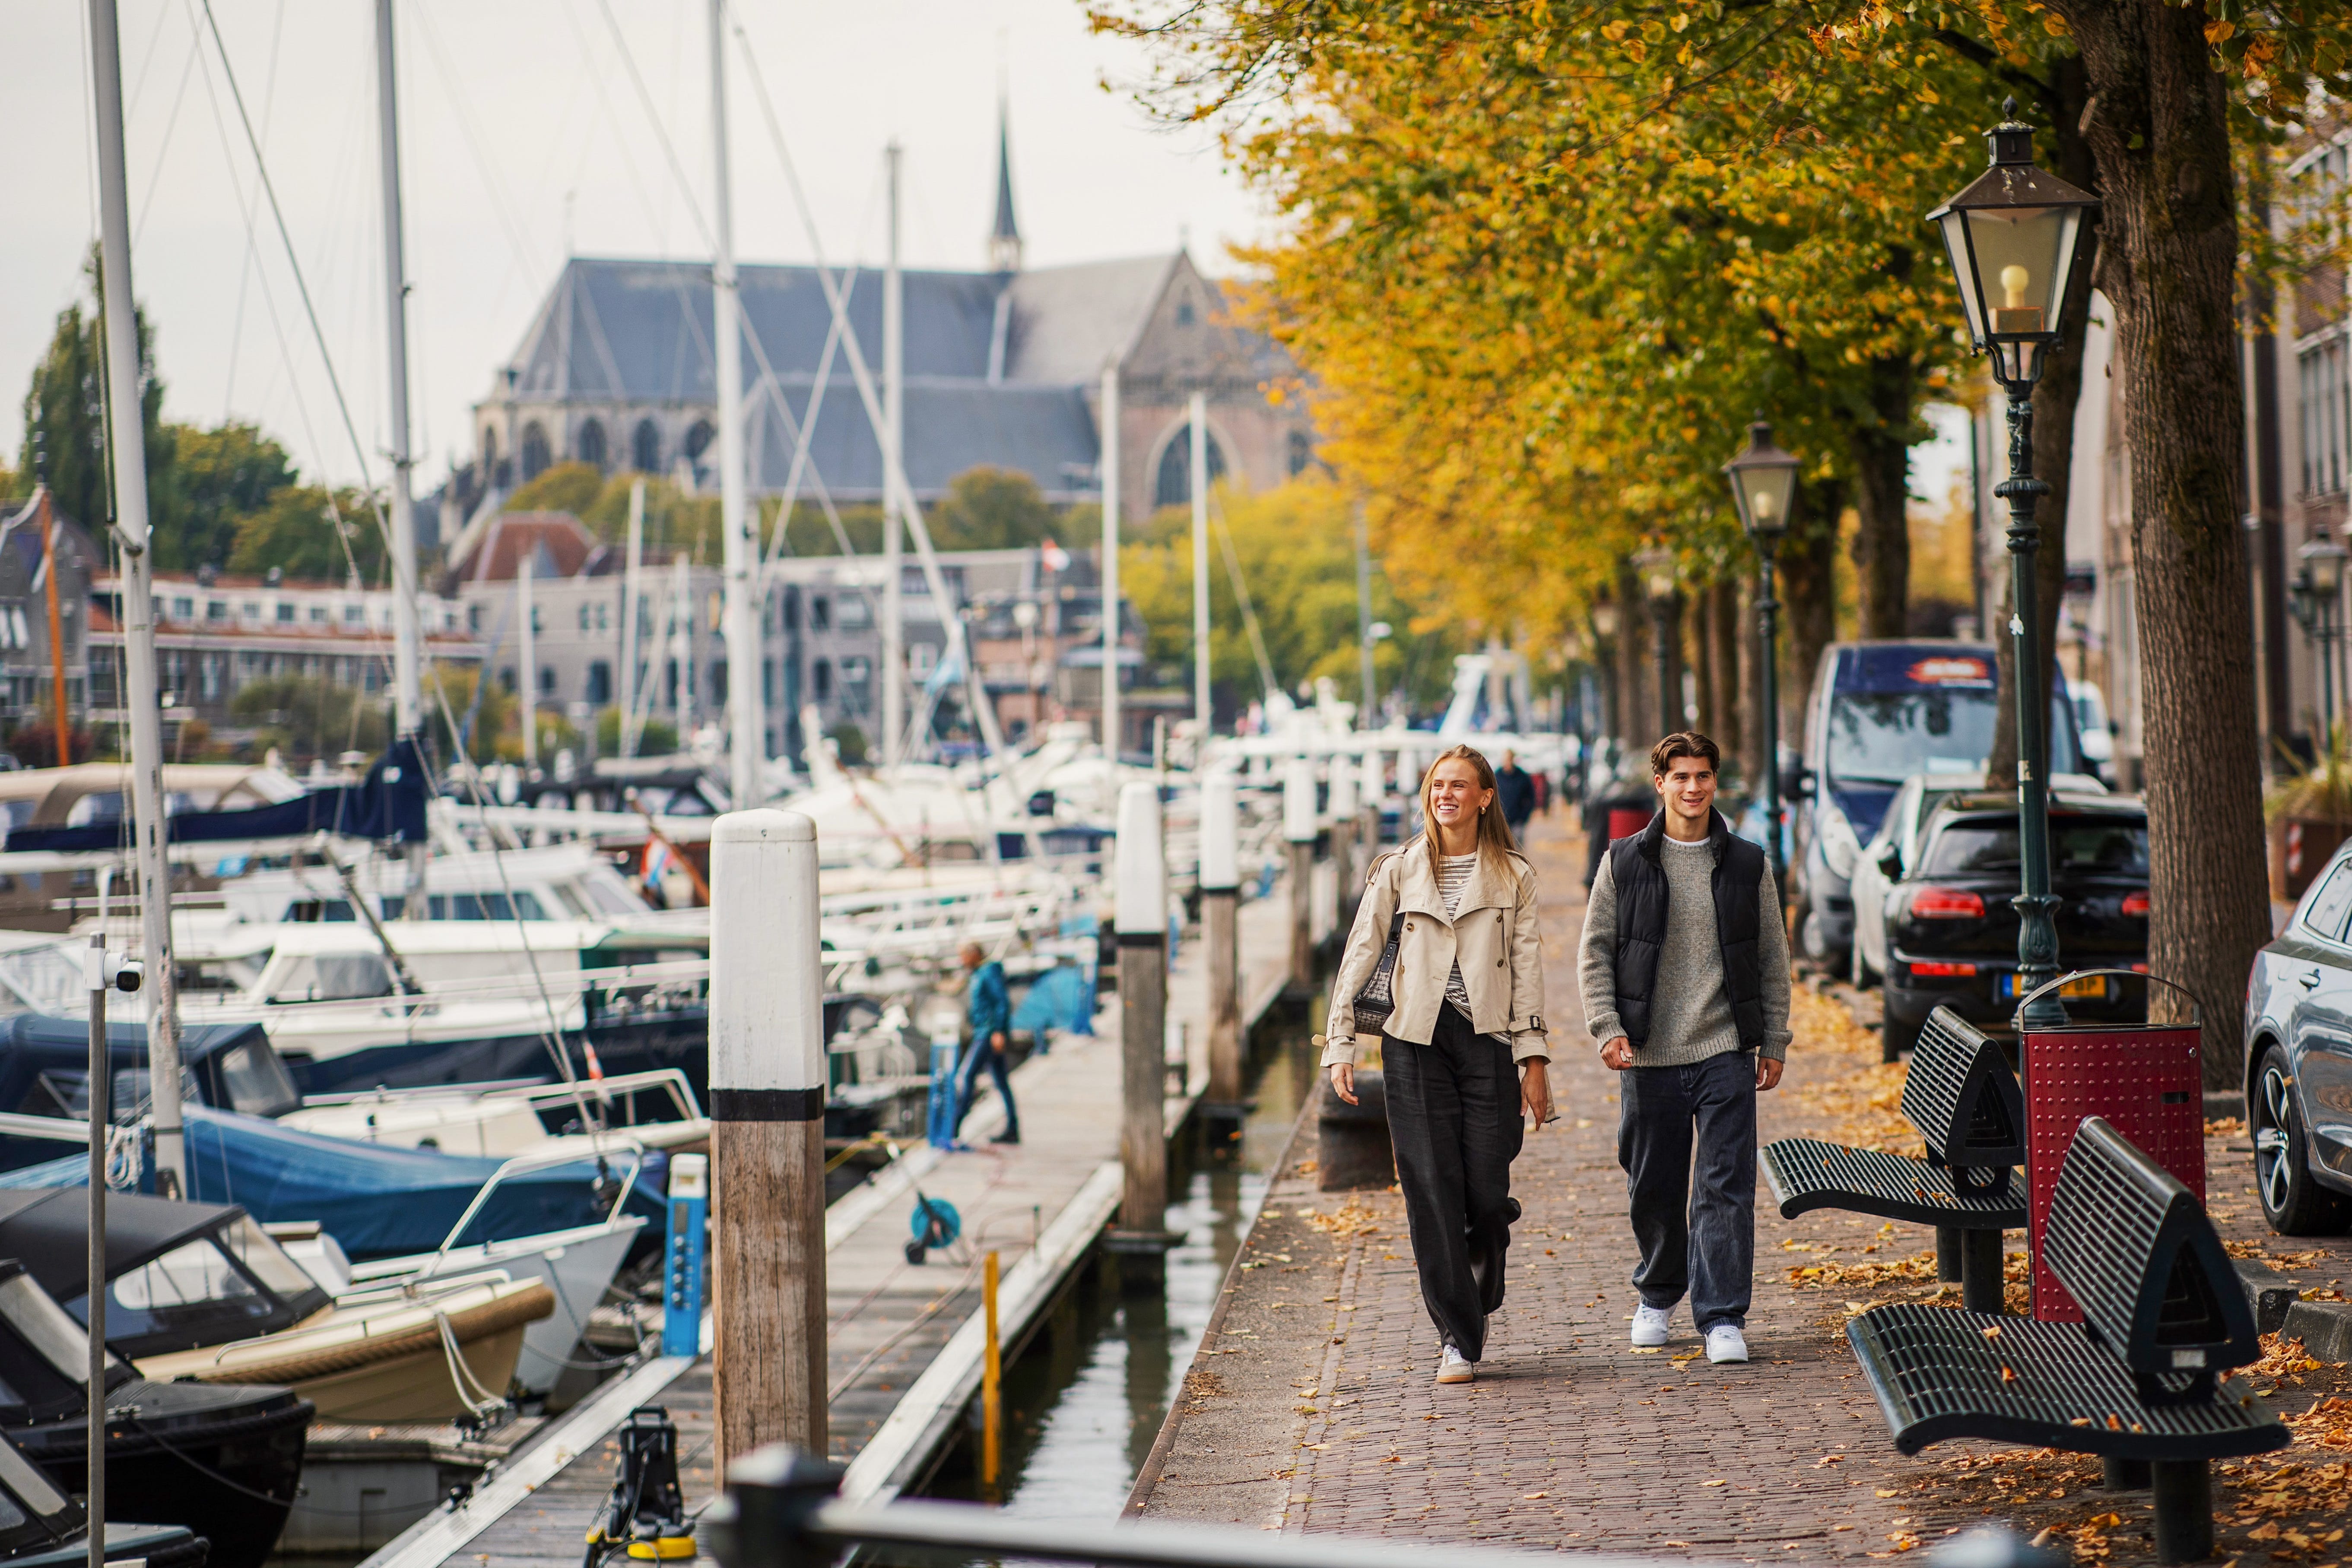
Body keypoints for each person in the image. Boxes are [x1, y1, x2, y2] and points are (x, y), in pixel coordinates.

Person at [1320, 744, 1550, 1387]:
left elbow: (1528, 967)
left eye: (1458, 785)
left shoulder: (1514, 875)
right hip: (1413, 1039)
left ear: (1485, 797)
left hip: (1487, 1039)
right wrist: (1341, 1042)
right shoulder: (1397, 869)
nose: (1445, 794)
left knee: (1486, 1189)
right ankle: (1457, 1335)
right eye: (1437, 785)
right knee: (1430, 1188)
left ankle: (1484, 1266)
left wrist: (1534, 1057)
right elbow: (1361, 953)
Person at [1578, 732, 1790, 1366]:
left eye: (1702, 775)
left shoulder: (1748, 863)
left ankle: (1722, 1314)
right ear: (1661, 783)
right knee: (1655, 1185)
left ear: (1714, 782)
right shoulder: (1624, 861)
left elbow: (1773, 956)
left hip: (1725, 1048)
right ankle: (1659, 1292)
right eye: (1681, 776)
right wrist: (1606, 1026)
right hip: (1648, 1053)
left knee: (1725, 1186)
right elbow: (1595, 952)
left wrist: (1774, 1038)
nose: (1692, 787)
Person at [955, 942, 1020, 1145]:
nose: (961, 960)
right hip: (982, 1031)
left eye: (963, 956)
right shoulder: (976, 974)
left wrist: (999, 1030)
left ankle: (954, 1126)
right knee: (1001, 1081)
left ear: (974, 955)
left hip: (988, 1034)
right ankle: (1013, 1128)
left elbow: (1001, 1001)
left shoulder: (988, 972)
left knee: (967, 1075)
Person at [1493, 749, 1537, 841]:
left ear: (1513, 760)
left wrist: (1524, 817)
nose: (1507, 762)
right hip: (1501, 821)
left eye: (1509, 759)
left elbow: (1531, 797)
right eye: (1505, 760)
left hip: (1518, 822)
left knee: (1517, 847)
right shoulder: (1496, 777)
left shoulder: (1522, 777)